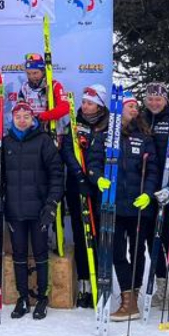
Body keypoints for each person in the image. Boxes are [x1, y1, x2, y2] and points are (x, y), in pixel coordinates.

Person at [0, 101, 64, 320]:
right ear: (12, 118)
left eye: (26, 116)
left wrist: (51, 205)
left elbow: (56, 174)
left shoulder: (43, 141)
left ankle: (42, 297)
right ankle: (23, 297)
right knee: (18, 254)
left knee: (39, 253)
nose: (22, 119)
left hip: (39, 209)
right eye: (18, 116)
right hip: (15, 210)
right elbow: (0, 177)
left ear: (33, 118)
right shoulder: (5, 142)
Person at [108, 92, 158, 322]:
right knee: (117, 252)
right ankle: (127, 296)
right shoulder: (107, 135)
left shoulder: (145, 137)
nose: (134, 109)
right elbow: (96, 162)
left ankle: (134, 296)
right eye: (129, 106)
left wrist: (148, 194)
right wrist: (99, 177)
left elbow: (153, 170)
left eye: (136, 106)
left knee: (137, 251)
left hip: (139, 205)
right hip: (115, 204)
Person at [62, 83, 107, 307]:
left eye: (90, 103)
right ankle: (84, 285)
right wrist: (79, 176)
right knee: (81, 235)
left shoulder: (108, 125)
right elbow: (68, 150)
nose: (85, 106)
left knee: (98, 235)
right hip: (77, 184)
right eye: (84, 102)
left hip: (98, 186)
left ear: (99, 105)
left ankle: (99, 282)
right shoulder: (74, 121)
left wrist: (92, 178)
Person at [140, 82, 169, 309]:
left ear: (166, 100)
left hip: (168, 191)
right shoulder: (141, 120)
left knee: (168, 239)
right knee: (149, 240)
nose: (154, 103)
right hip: (147, 189)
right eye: (150, 99)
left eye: (159, 99)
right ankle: (160, 285)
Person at [11, 53, 68, 130]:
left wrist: (42, 117)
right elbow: (19, 109)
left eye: (35, 73)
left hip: (51, 129)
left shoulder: (54, 86)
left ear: (43, 72)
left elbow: (65, 108)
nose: (31, 77)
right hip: (31, 130)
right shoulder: (24, 87)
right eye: (28, 73)